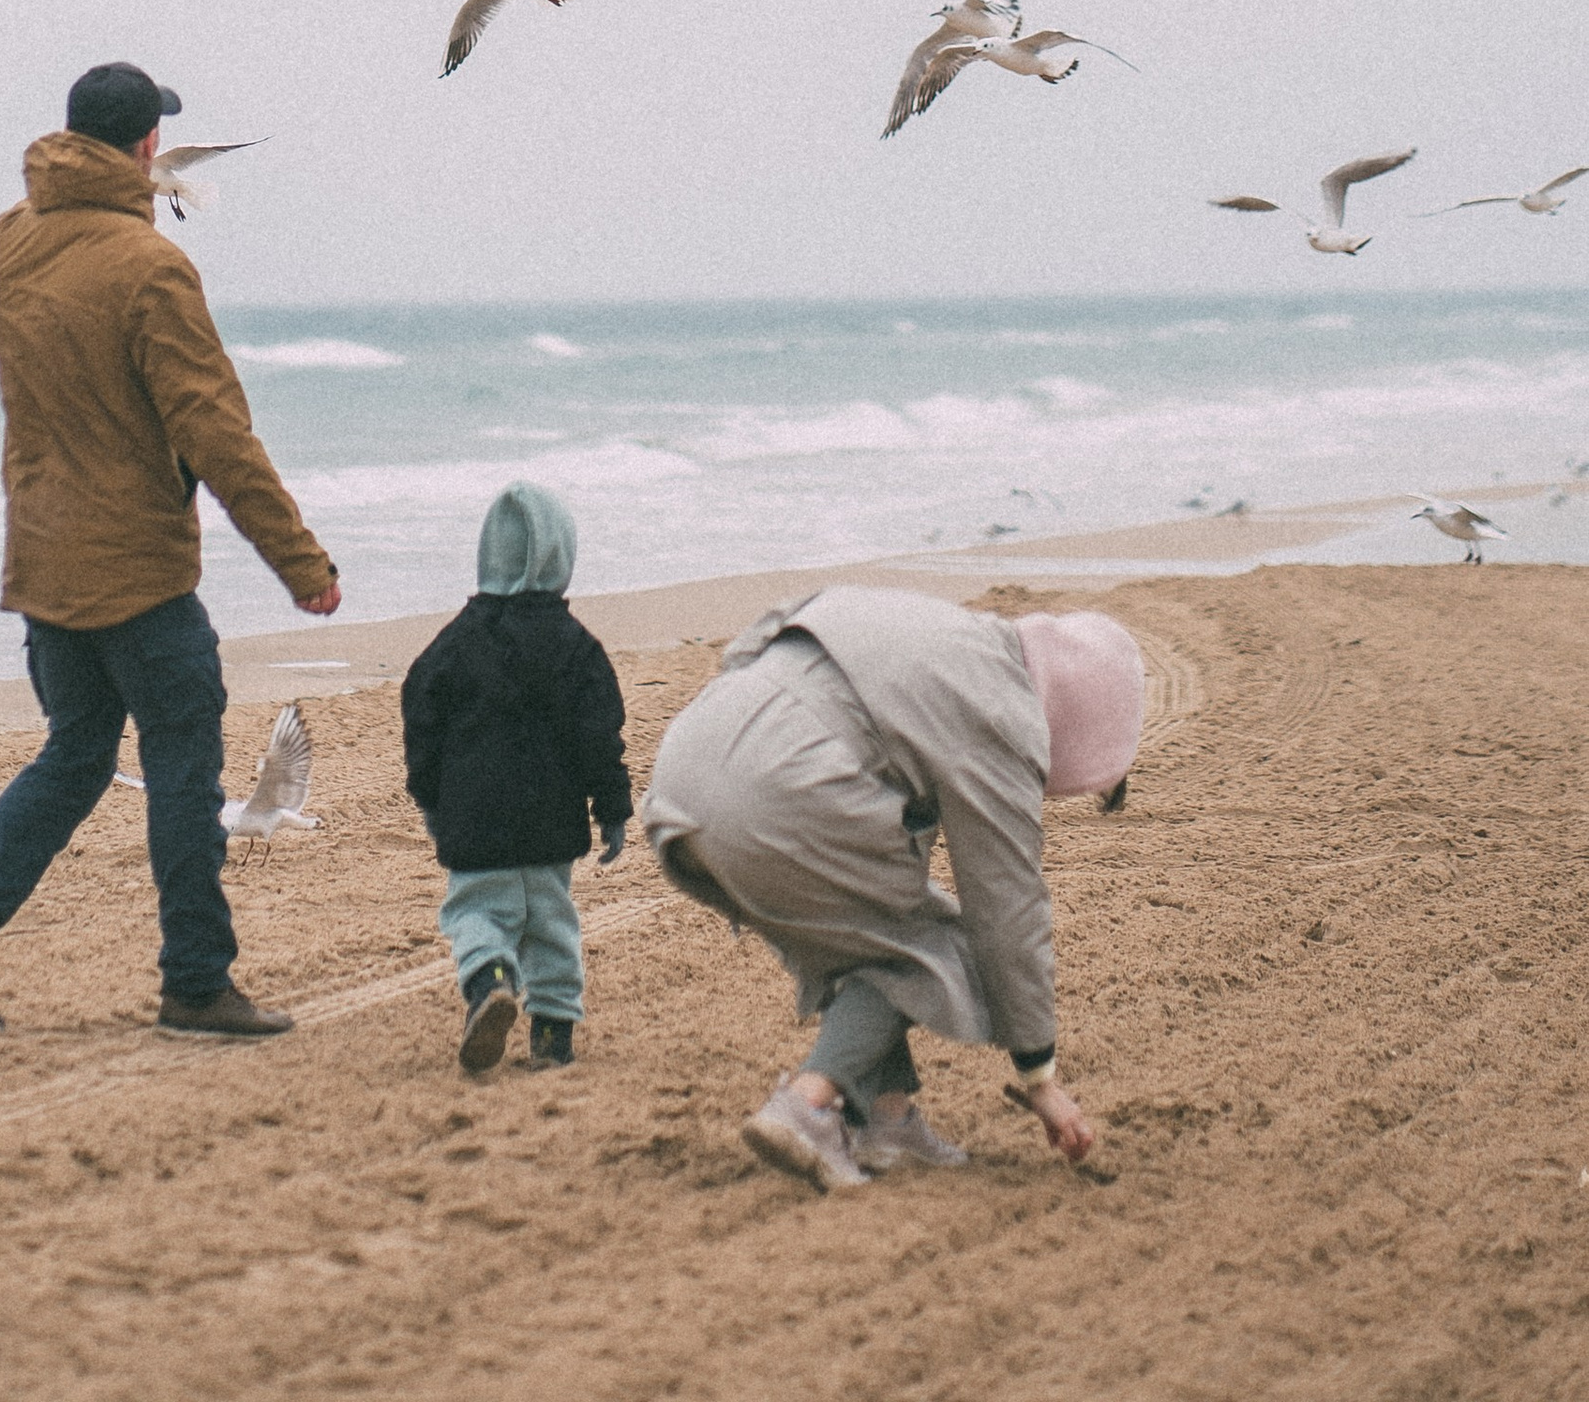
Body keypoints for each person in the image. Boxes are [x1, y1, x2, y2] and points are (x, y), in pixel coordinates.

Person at [0, 60, 341, 1043]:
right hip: (135, 565)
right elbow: (211, 426)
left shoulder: (9, 239)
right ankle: (195, 982)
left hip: (45, 554)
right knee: (183, 764)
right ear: (144, 147)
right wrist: (299, 561)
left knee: (76, 752)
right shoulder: (149, 267)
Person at [641, 584, 1142, 1190]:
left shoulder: (933, 626)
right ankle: (808, 1104)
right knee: (934, 948)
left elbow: (759, 636)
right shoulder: (1003, 710)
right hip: (784, 794)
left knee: (862, 941)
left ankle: (891, 1121)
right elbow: (1007, 906)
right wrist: (1039, 1074)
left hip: (684, 771)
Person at [400, 482, 631, 1073]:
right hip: (551, 820)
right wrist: (611, 809)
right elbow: (599, 737)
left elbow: (420, 713)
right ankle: (554, 1033)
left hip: (474, 818)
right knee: (552, 921)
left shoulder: (453, 645)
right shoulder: (579, 649)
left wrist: (430, 796)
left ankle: (492, 977)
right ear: (561, 558)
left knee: (476, 912)